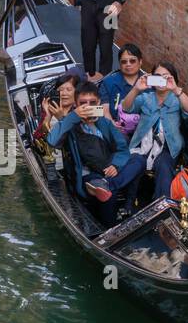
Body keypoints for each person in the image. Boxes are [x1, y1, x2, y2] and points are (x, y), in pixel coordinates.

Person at [48, 81, 144, 220]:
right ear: (76, 104)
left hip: (109, 171)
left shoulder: (105, 123)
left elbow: (122, 149)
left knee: (139, 160)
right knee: (108, 193)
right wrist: (74, 116)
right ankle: (110, 222)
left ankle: (109, 186)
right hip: (89, 176)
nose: (88, 106)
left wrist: (116, 165)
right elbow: (52, 141)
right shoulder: (71, 125)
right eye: (83, 103)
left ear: (98, 102)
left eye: (92, 102)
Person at [121, 61, 188, 202]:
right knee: (135, 162)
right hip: (142, 145)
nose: (162, 80)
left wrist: (176, 90)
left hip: (168, 148)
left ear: (173, 79)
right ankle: (129, 205)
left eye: (166, 76)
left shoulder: (177, 99)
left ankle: (162, 205)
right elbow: (126, 107)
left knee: (163, 165)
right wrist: (136, 89)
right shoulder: (146, 98)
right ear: (152, 79)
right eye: (158, 76)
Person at [98, 42, 145, 136]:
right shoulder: (108, 82)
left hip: (144, 131)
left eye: (132, 61)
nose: (128, 64)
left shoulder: (149, 82)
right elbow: (104, 109)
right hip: (117, 130)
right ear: (119, 64)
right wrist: (111, 124)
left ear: (140, 62)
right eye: (124, 62)